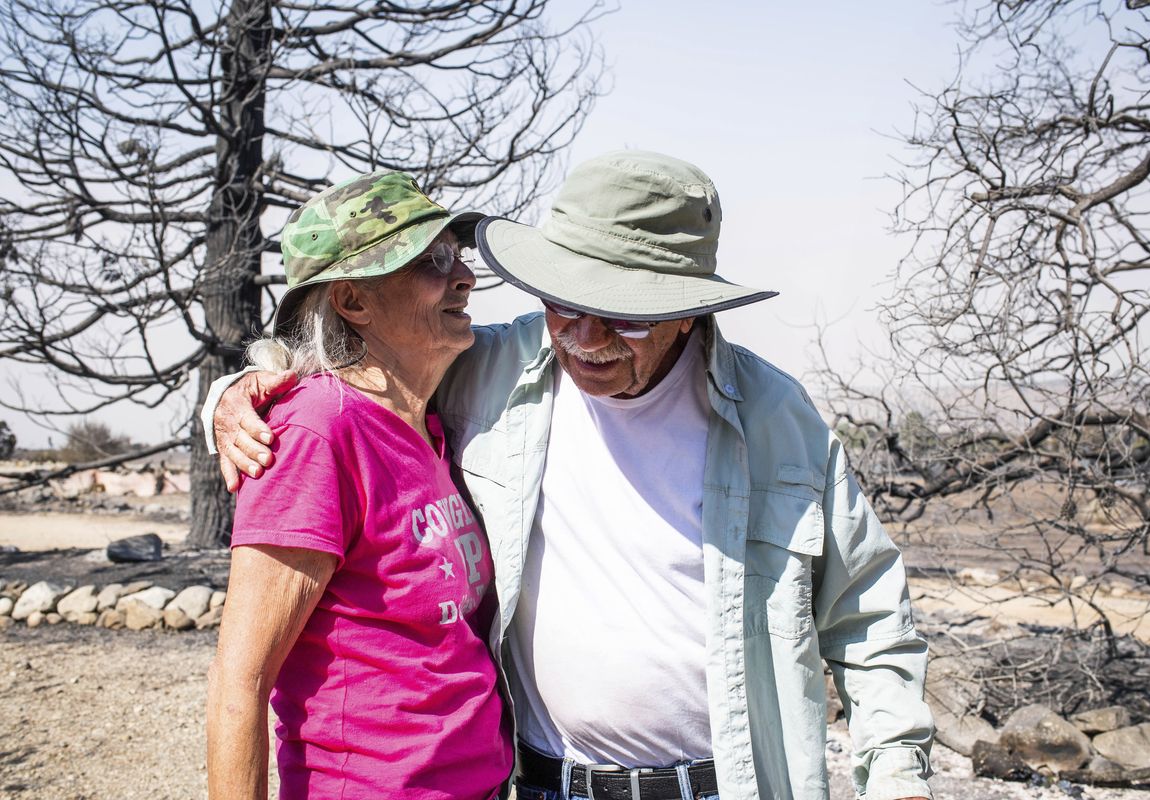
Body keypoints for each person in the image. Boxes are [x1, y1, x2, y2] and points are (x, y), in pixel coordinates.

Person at [207, 151, 935, 800]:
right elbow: (341, 380)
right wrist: (240, 393)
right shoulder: (494, 372)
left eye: (623, 316)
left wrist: (900, 779)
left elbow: (866, 609)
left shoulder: (775, 418)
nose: (584, 341)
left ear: (686, 310)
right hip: (550, 784)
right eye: (564, 303)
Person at [205, 171, 512, 800]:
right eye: (431, 261)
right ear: (352, 302)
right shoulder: (316, 433)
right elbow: (239, 684)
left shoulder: (428, 421)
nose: (463, 277)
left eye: (457, 255)